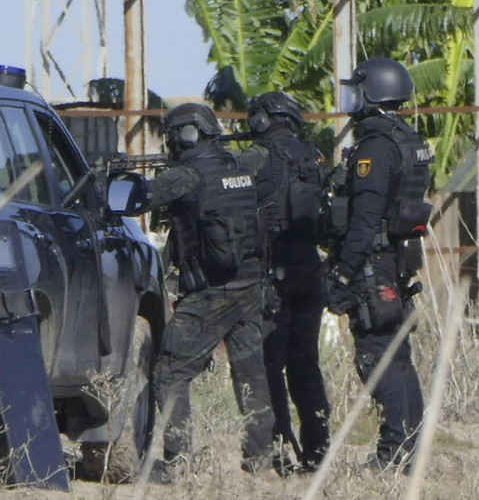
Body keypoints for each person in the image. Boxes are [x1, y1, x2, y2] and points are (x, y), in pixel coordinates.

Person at [138, 102, 275, 482]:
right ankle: (260, 460)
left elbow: (141, 197)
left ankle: (177, 461)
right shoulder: (239, 168)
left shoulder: (188, 174)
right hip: (249, 286)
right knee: (251, 373)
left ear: (186, 135)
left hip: (212, 293)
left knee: (169, 369)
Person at [327, 58, 433, 472]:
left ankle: (393, 453)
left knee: (376, 354)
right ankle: (410, 449)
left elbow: (366, 219)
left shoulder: (376, 147)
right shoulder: (409, 139)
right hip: (397, 258)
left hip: (373, 263)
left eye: (357, 91)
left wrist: (342, 273)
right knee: (398, 356)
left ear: (374, 93)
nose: (350, 100)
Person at [238, 91, 332, 473]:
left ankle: (277, 450)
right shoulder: (314, 157)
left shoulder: (255, 158)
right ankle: (317, 450)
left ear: (263, 119)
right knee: (306, 364)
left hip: (271, 271)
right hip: (310, 268)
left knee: (269, 365)